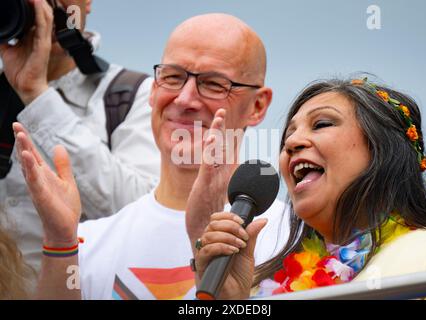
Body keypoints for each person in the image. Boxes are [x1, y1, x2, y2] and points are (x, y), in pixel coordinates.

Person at [12, 13, 290, 299]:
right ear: (154, 89)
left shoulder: (294, 237)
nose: (184, 99)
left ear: (258, 105)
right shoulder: (86, 244)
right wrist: (59, 242)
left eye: (213, 84)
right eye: (172, 77)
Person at [193, 77, 426, 300]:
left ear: (382, 150)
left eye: (322, 124)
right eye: (287, 137)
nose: (291, 142)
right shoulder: (261, 288)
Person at [0, 0, 160, 275]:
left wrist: (37, 95)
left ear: (86, 4)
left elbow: (141, 219)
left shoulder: (132, 94)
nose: (46, 11)